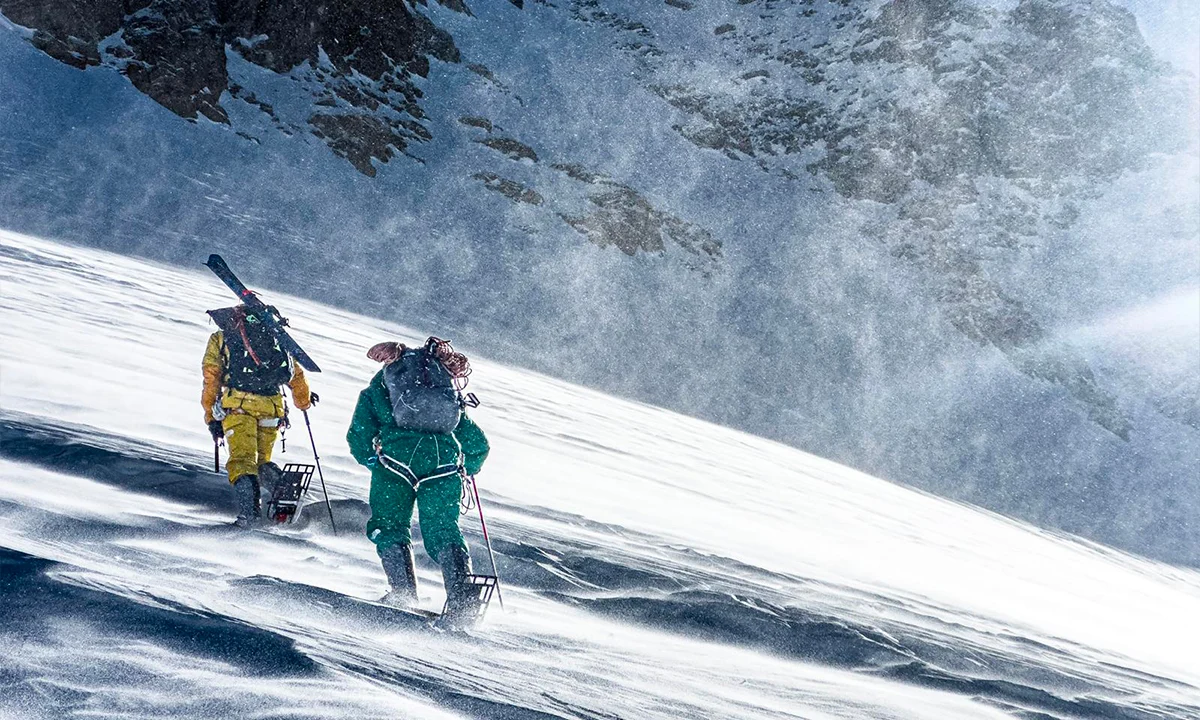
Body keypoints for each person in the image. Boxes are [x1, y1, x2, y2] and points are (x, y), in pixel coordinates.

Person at [346, 338, 489, 618]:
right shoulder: (442, 388)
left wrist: (373, 462)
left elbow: (359, 434)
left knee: (390, 525)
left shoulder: (381, 386)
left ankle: (403, 594)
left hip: (396, 461)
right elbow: (477, 444)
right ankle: (461, 596)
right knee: (443, 529)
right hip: (444, 463)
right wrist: (468, 468)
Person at [202, 305, 313, 527]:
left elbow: (211, 376)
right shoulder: (274, 338)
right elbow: (295, 373)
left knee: (242, 462)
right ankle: (285, 493)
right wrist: (303, 401)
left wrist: (210, 416)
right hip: (272, 408)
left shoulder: (221, 339)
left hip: (239, 408)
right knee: (262, 462)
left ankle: (249, 516)